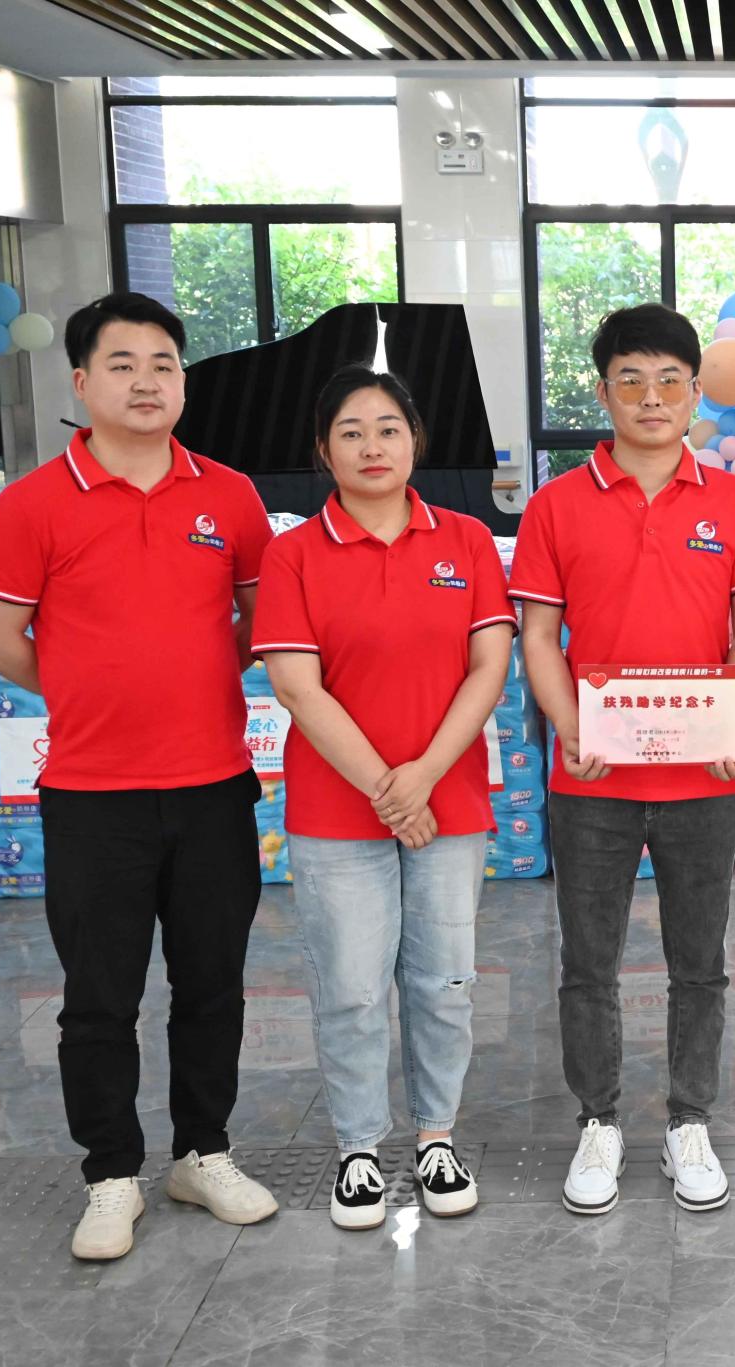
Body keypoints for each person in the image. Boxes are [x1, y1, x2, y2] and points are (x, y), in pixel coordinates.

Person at [0, 292, 279, 1261]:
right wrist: (84, 683)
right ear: (80, 380)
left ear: (182, 380)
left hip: (214, 786)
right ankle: (111, 1173)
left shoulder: (230, 495)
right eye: (122, 363)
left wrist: (192, 675)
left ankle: (202, 1152)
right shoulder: (32, 503)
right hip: (92, 794)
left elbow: (262, 622)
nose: (146, 381)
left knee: (212, 984)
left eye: (163, 364)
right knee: (99, 995)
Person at [510, 304, 735, 1217]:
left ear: (696, 392)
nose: (651, 397)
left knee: (700, 962)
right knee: (588, 963)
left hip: (701, 776)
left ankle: (689, 1120)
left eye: (669, 380)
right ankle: (599, 1121)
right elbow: (538, 635)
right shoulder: (555, 505)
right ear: (603, 392)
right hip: (592, 779)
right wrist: (569, 724)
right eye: (631, 379)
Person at [252, 366, 514, 1229]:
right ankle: (358, 1148)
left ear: (416, 442)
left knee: (444, 981)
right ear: (322, 451)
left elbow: (489, 668)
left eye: (389, 428)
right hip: (337, 813)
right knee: (354, 987)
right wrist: (388, 790)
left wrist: (424, 776)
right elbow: (298, 686)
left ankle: (436, 1137)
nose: (373, 446)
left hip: (450, 802)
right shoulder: (293, 554)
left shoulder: (466, 541)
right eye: (352, 432)